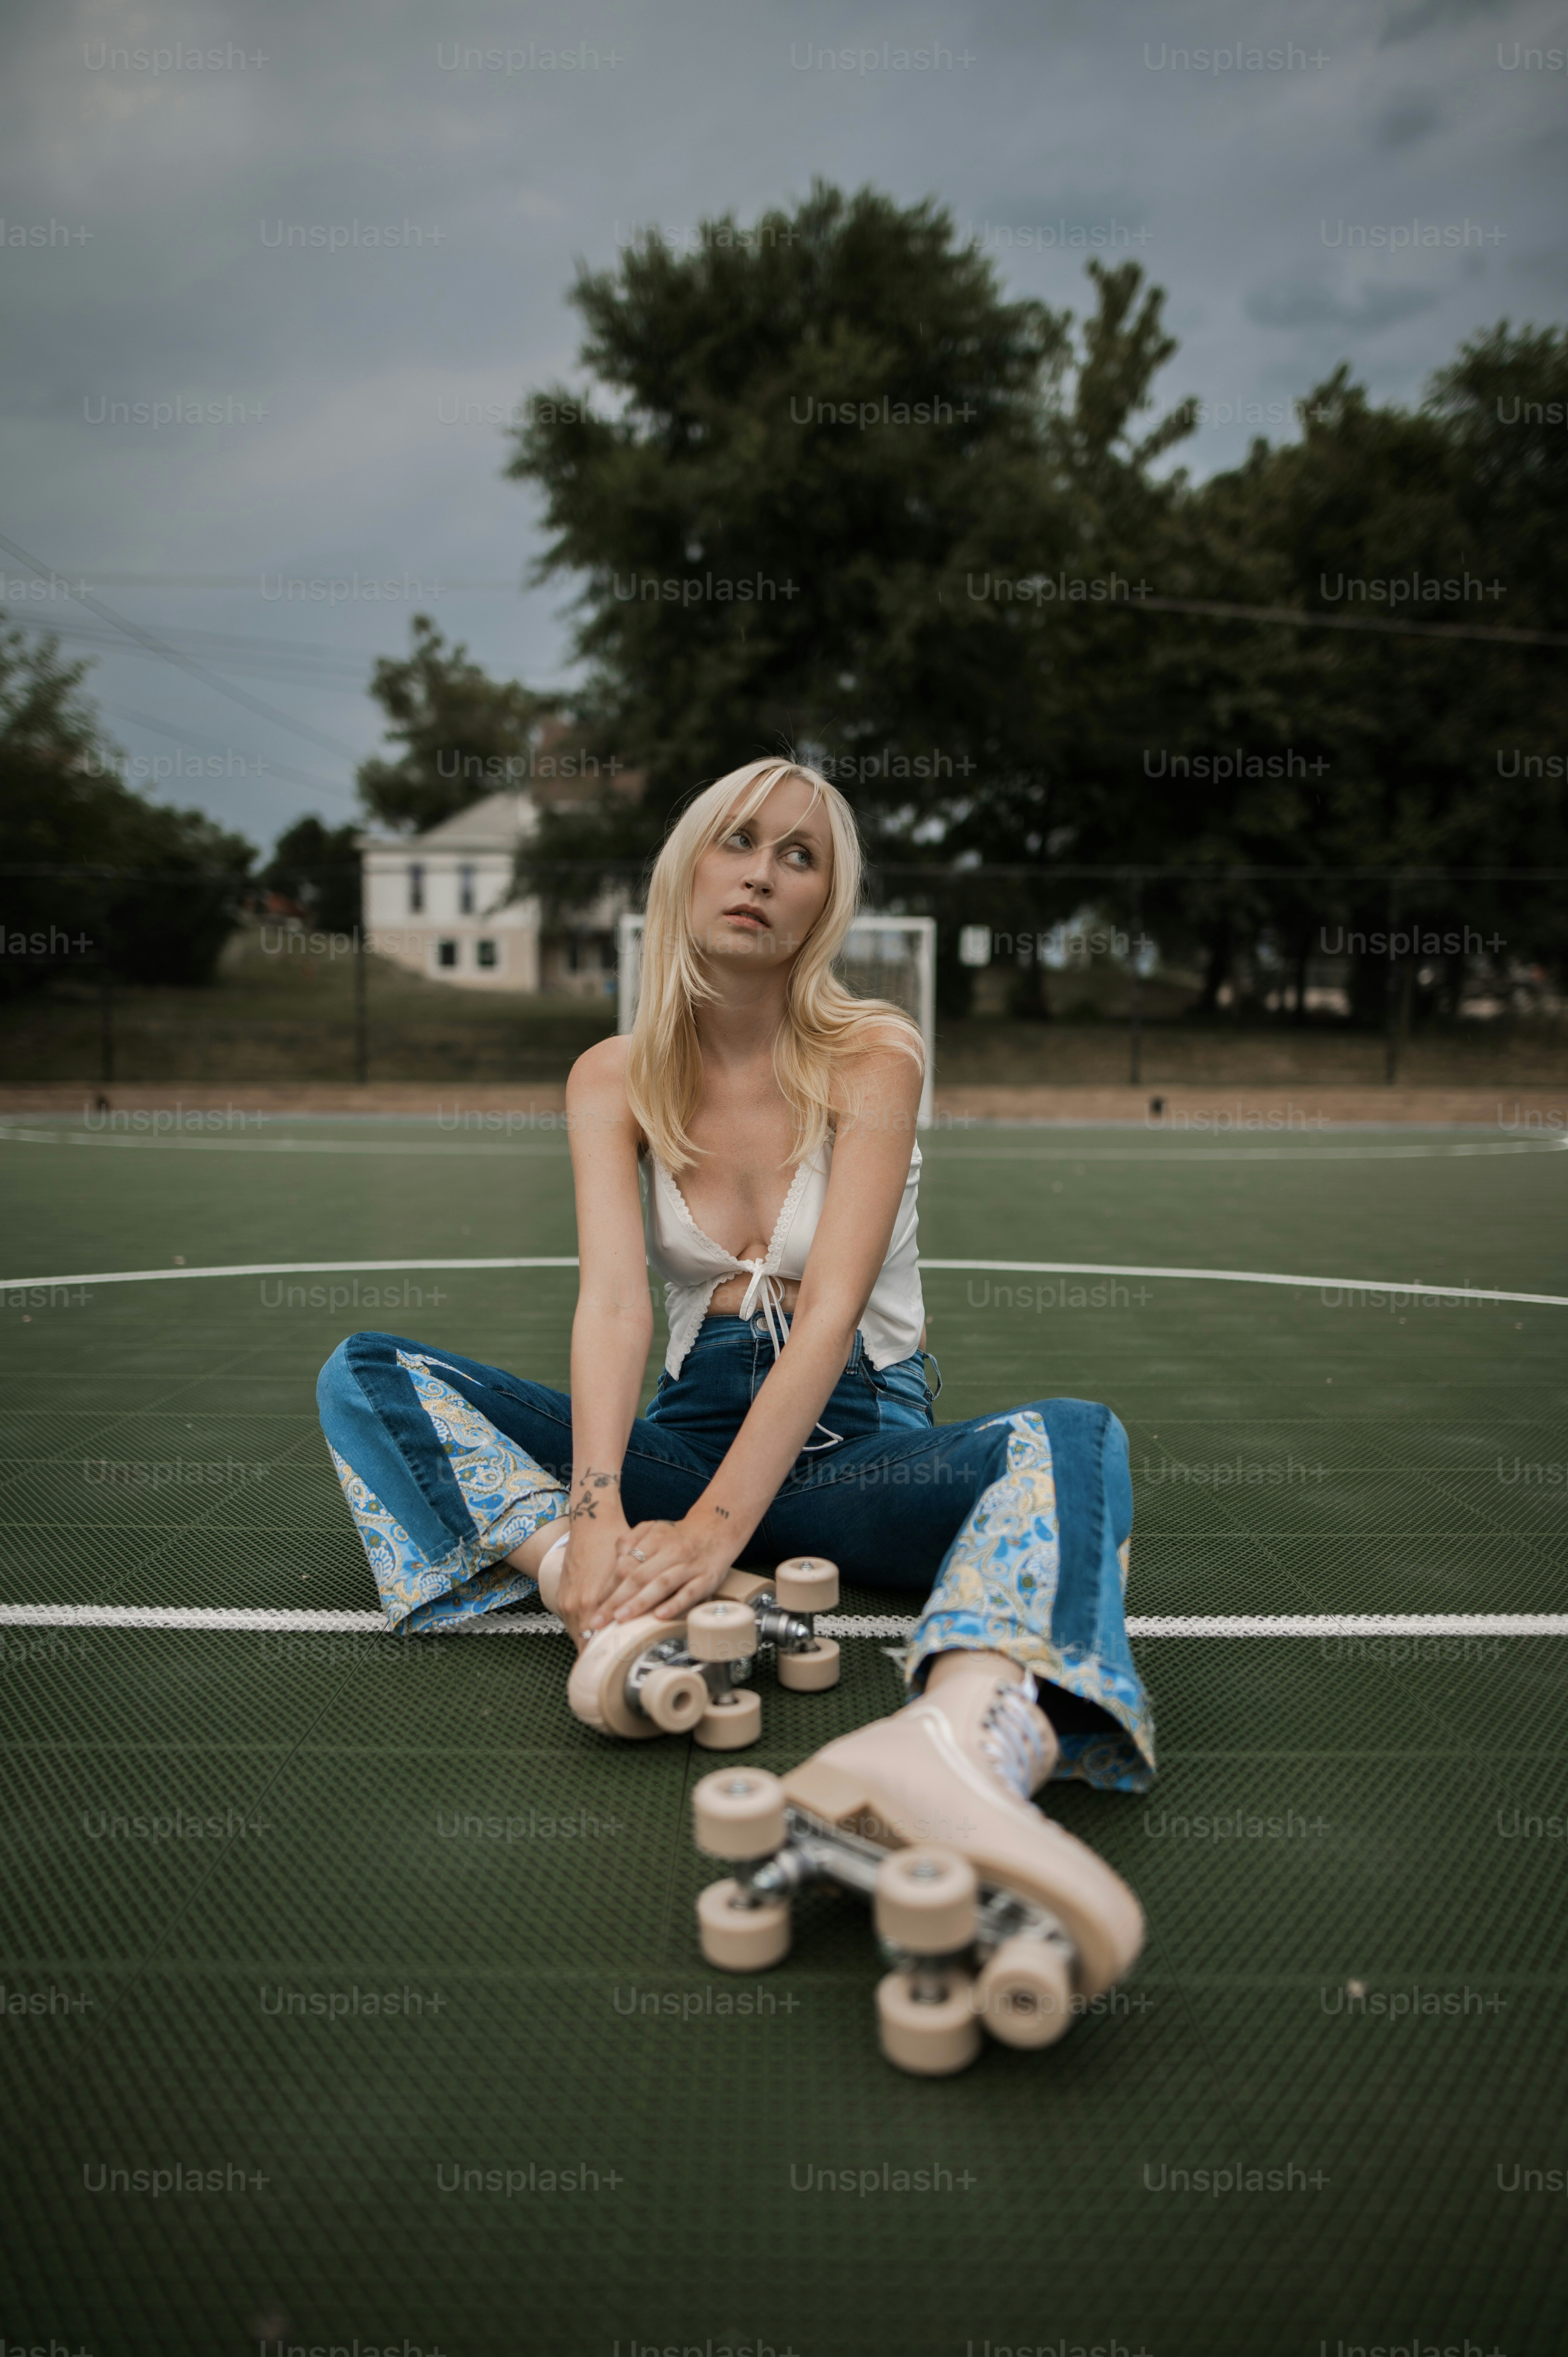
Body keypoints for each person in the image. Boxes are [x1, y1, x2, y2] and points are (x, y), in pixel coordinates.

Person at [318, 756, 1153, 2002]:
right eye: (740, 841)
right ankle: (594, 1593)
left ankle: (962, 1739)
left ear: (824, 903)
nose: (763, 872)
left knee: (1072, 1438)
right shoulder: (612, 1077)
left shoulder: (875, 1055)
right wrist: (600, 1513)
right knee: (369, 1371)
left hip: (859, 1451)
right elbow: (609, 1303)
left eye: (800, 856)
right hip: (687, 1443)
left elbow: (824, 1324)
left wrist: (711, 1535)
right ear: (689, 865)